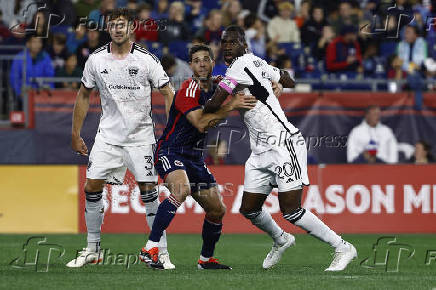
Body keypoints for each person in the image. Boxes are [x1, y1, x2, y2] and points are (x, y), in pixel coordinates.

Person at [203, 25, 357, 271]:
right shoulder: (257, 62)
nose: (227, 47)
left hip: (284, 144)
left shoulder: (239, 66)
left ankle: (342, 247)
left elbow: (213, 105)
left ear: (244, 43)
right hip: (260, 150)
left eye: (232, 42)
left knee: (291, 209)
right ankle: (281, 239)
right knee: (249, 208)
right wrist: (279, 83)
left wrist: (216, 90)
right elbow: (287, 77)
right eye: (224, 43)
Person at [67, 8, 176, 269]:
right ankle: (93, 249)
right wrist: (75, 133)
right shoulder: (95, 60)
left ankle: (160, 253)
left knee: (149, 193)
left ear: (131, 28)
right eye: (113, 25)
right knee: (91, 187)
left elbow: (168, 93)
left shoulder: (147, 60)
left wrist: (172, 133)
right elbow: (83, 94)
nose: (117, 29)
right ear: (108, 29)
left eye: (122, 25)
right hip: (108, 137)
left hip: (141, 138)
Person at [139, 44, 257, 270]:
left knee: (217, 209)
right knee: (181, 189)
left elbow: (246, 80)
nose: (202, 63)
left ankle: (206, 260)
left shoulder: (218, 86)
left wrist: (274, 82)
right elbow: (201, 124)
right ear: (190, 65)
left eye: (206, 59)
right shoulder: (187, 91)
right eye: (196, 60)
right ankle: (150, 248)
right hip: (171, 151)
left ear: (213, 63)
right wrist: (231, 105)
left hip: (195, 158)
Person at [10, 34, 54, 108]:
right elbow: (14, 78)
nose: (38, 45)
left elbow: (50, 76)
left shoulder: (45, 57)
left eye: (39, 42)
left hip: (42, 95)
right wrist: (20, 93)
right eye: (34, 42)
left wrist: (47, 92)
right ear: (28, 44)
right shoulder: (19, 57)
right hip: (24, 95)